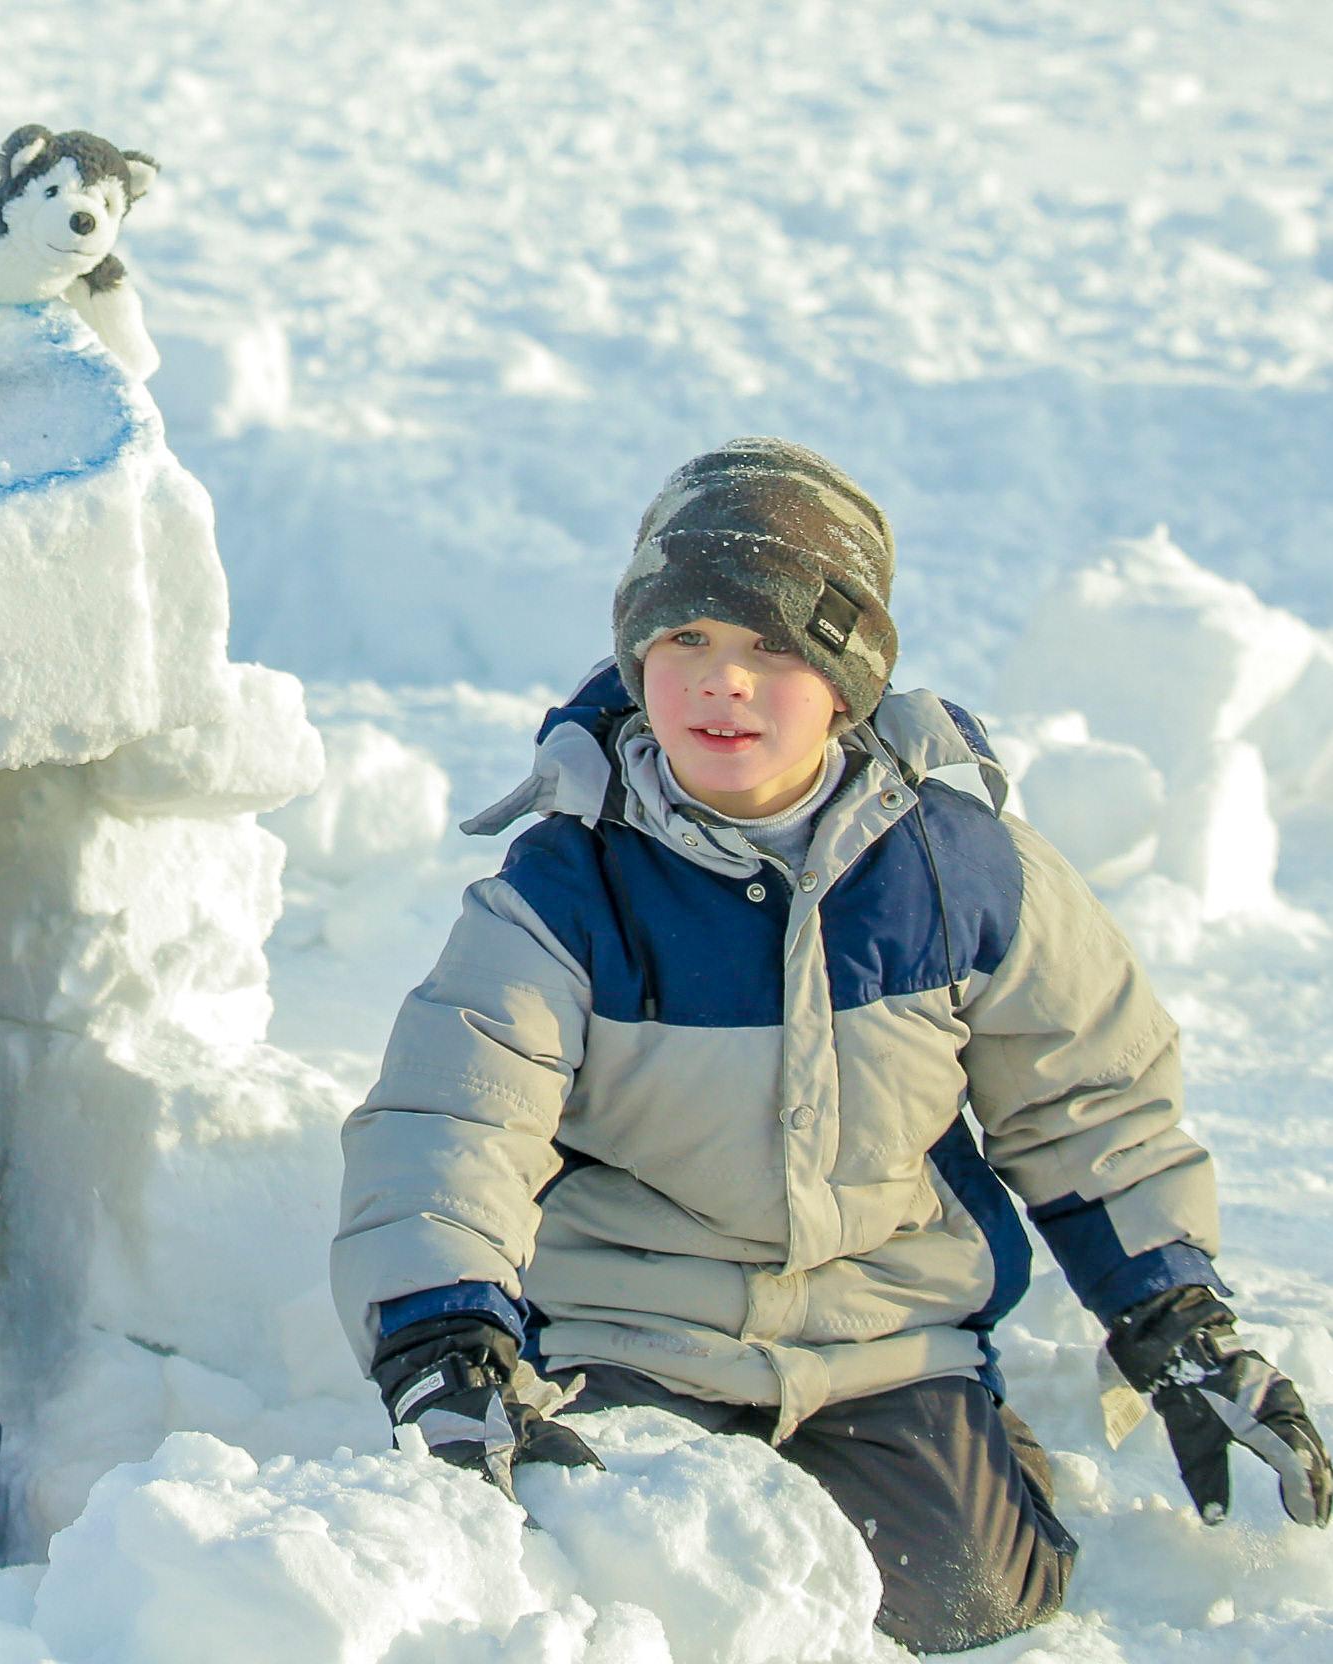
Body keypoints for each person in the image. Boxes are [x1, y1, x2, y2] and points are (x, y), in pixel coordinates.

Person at [330, 438, 1330, 1652]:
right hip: (633, 1333)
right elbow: (455, 1118)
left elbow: (1088, 1103)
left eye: (772, 648)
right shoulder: (569, 884)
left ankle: (989, 1462)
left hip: (883, 1343)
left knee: (970, 1610)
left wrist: (1177, 1321)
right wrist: (444, 1334)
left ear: (848, 677)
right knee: (652, 1596)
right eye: (685, 640)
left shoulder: (956, 871)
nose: (723, 684)